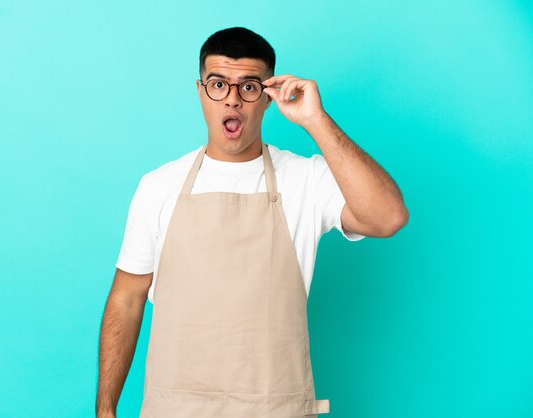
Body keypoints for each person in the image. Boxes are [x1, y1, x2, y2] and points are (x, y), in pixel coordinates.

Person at [95, 27, 408, 418]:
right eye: (218, 84)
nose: (231, 99)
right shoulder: (158, 186)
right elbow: (126, 298)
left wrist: (315, 120)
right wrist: (105, 409)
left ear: (267, 97)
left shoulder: (305, 179)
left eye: (248, 87)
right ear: (200, 93)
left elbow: (389, 216)